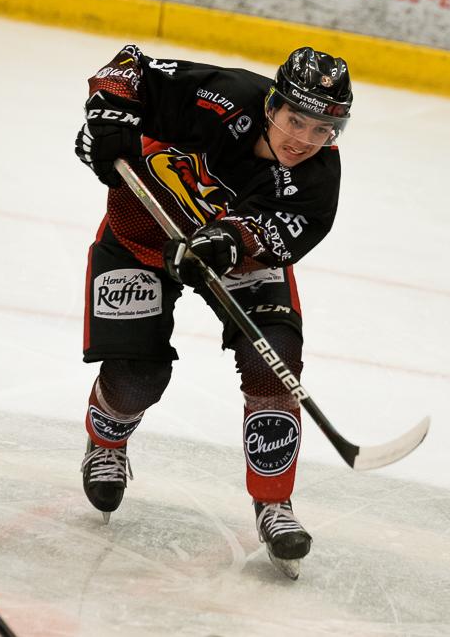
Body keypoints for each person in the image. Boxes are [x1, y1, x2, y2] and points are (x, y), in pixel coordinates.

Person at [73, 45, 352, 578]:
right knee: (137, 376)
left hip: (238, 261)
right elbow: (128, 69)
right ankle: (106, 442)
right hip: (139, 236)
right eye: (296, 120)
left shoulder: (315, 181)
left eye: (322, 129)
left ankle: (274, 502)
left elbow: (271, 238)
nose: (303, 140)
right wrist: (108, 120)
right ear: (272, 104)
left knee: (274, 361)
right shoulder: (222, 96)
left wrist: (227, 241)